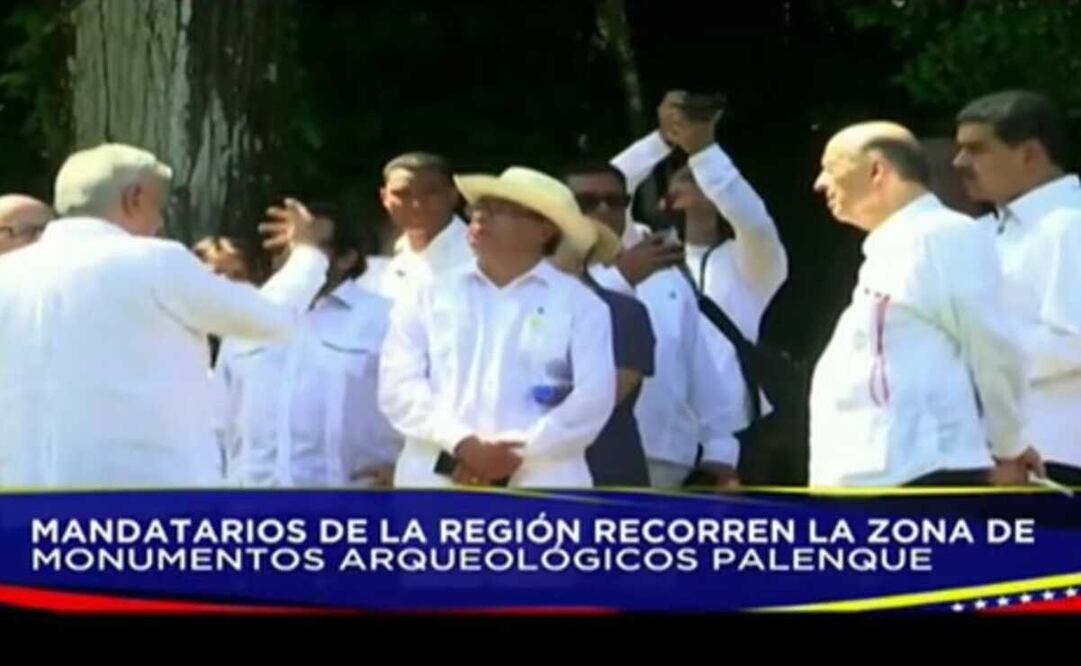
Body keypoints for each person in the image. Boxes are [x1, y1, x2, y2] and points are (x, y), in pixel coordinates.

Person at [0, 143, 329, 488]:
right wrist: (309, 252)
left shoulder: (7, 274)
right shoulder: (154, 261)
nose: (159, 223)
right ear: (135, 198)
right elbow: (272, 320)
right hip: (142, 505)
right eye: (159, 209)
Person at [809, 121, 1041, 487]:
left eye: (831, 167)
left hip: (919, 472)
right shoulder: (894, 247)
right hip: (876, 474)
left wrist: (1007, 445)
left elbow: (993, 346)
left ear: (876, 171)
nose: (820, 183)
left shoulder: (942, 235)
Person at [379, 166, 616, 488]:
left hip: (542, 488)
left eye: (498, 210)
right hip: (437, 482)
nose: (480, 218)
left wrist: (515, 452)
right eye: (478, 208)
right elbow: (398, 387)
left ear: (543, 230)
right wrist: (462, 442)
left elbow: (592, 400)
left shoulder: (582, 306)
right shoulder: (428, 294)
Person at [565, 161, 748, 490]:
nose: (604, 210)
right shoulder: (540, 273)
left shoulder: (664, 274)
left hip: (672, 464)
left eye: (615, 200)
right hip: (574, 462)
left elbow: (701, 369)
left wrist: (720, 453)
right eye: (587, 202)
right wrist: (618, 279)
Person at [215, 204, 401, 488]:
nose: (295, 255)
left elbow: (421, 405)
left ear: (346, 257)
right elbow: (217, 422)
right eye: (285, 244)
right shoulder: (247, 317)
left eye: (310, 244)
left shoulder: (386, 319)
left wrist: (406, 471)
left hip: (353, 509)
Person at [953, 90, 1081, 485]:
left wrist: (975, 350)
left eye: (976, 149)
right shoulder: (981, 232)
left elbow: (1073, 341)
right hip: (995, 459)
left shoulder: (1070, 224)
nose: (959, 163)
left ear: (1029, 154)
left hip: (1056, 459)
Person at [611, 91, 788, 343]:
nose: (701, 177)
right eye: (687, 176)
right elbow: (610, 191)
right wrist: (662, 139)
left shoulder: (748, 262)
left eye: (704, 174)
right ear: (666, 199)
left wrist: (704, 150)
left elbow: (754, 221)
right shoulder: (644, 250)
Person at [549, 220, 654, 486]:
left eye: (549, 251)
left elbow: (605, 396)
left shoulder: (623, 312)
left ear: (578, 259)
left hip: (606, 473)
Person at [359, 152, 473, 300]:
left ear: (453, 195)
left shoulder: (483, 254)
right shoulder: (380, 266)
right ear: (384, 198)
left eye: (430, 193)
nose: (416, 204)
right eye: (402, 194)